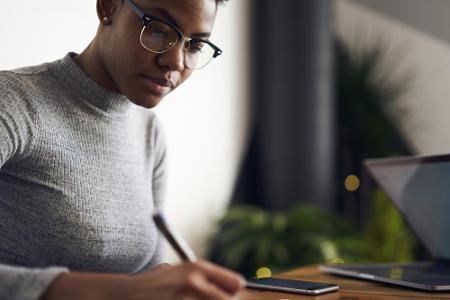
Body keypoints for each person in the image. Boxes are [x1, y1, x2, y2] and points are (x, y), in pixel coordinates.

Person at [0, 0, 246, 299]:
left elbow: (150, 273)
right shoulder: (12, 103)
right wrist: (124, 291)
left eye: (194, 46)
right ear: (108, 8)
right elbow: (134, 288)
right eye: (158, 30)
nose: (176, 61)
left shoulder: (148, 132)